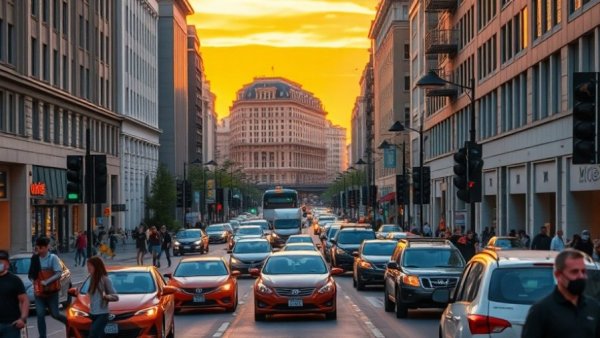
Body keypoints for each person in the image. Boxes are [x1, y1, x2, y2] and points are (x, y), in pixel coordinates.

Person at [522, 248, 600, 337]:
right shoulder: (541, 310)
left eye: (583, 271)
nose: (581, 276)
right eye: (574, 272)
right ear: (558, 275)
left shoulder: (593, 307)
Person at [29, 237, 67, 338]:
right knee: (40, 314)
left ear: (47, 247)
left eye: (41, 248)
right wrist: (34, 281)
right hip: (39, 293)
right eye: (38, 248)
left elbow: (59, 273)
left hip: (52, 292)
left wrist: (47, 281)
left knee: (55, 314)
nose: (39, 250)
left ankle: (69, 323)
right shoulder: (35, 258)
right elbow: (31, 274)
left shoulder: (53, 258)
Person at [86, 256, 119, 338]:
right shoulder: (91, 279)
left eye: (90, 265)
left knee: (92, 334)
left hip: (102, 314)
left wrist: (106, 297)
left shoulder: (105, 280)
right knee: (99, 335)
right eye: (87, 266)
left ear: (96, 266)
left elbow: (116, 297)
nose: (88, 268)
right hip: (93, 313)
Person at [0, 250, 29, 338]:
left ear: (7, 264)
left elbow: (24, 300)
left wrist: (22, 319)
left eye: (1, 262)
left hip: (11, 325)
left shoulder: (15, 280)